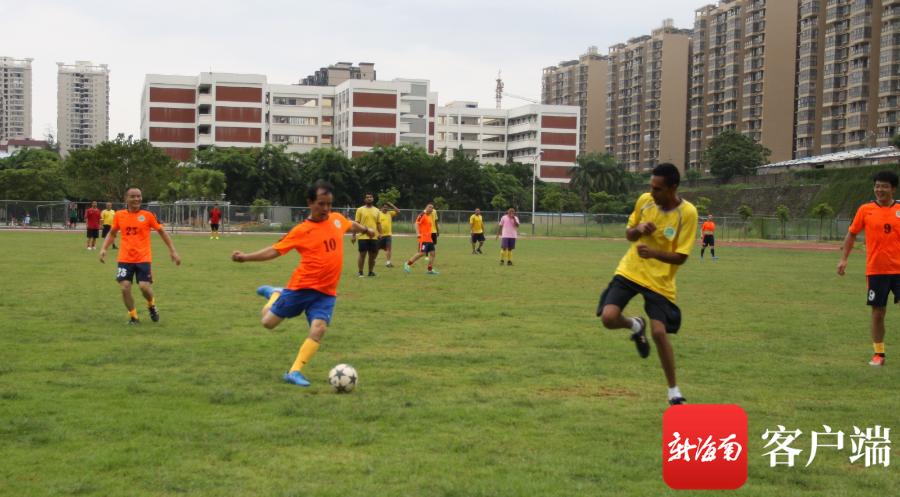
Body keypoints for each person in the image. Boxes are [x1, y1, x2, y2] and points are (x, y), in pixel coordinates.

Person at [231, 180, 376, 387]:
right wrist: (246, 257)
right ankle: (274, 294)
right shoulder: (301, 230)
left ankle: (294, 372)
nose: (326, 209)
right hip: (300, 288)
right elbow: (275, 250)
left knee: (319, 329)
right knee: (267, 323)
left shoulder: (336, 219)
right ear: (309, 202)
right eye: (321, 204)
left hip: (326, 292)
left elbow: (350, 224)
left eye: (329, 204)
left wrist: (366, 230)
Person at [597, 163, 697, 406]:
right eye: (651, 187)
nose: (652, 193)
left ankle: (674, 391)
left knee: (660, 333)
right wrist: (638, 228)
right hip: (631, 270)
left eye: (658, 189)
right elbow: (629, 234)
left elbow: (681, 256)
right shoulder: (645, 201)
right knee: (609, 318)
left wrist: (653, 253)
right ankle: (634, 324)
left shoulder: (688, 214)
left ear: (673, 187)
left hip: (659, 280)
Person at [837, 170, 900, 367]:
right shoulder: (865, 210)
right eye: (877, 186)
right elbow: (852, 233)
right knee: (878, 312)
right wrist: (844, 259)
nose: (879, 189)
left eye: (884, 186)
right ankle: (879, 354)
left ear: (893, 189)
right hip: (876, 270)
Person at [99, 187, 181, 324]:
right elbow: (112, 233)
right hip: (125, 258)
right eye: (133, 196)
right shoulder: (119, 215)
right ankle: (133, 317)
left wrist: (173, 250)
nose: (136, 199)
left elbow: (162, 232)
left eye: (139, 196)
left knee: (144, 287)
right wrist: (103, 249)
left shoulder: (148, 215)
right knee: (125, 287)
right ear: (126, 199)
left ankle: (151, 304)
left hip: (143, 258)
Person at [403, 203, 438, 275]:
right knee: (422, 253)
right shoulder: (422, 214)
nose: (431, 209)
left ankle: (430, 270)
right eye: (430, 207)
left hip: (429, 239)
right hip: (423, 238)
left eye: (432, 208)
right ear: (426, 207)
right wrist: (418, 233)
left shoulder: (429, 216)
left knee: (432, 253)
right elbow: (416, 223)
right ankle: (407, 264)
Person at [352, 193, 382, 277]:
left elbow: (378, 223)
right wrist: (354, 235)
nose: (369, 198)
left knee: (372, 256)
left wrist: (380, 233)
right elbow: (356, 223)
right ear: (365, 200)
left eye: (370, 197)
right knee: (362, 255)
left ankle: (370, 272)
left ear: (373, 199)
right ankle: (360, 272)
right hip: (362, 236)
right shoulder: (360, 209)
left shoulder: (377, 210)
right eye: (367, 197)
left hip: (374, 237)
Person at [378, 201, 399, 267]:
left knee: (388, 249)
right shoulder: (378, 213)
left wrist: (391, 205)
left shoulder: (390, 213)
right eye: (384, 207)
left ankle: (388, 262)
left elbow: (398, 211)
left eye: (387, 207)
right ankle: (373, 260)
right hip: (379, 235)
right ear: (381, 208)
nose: (385, 208)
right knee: (376, 249)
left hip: (388, 235)